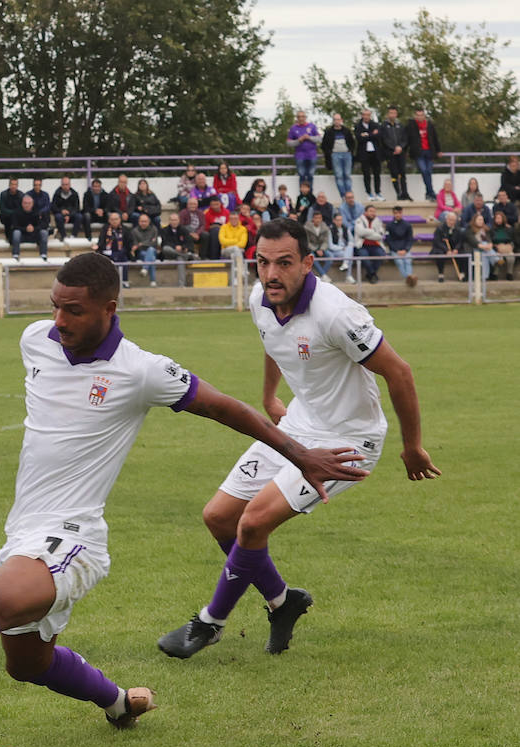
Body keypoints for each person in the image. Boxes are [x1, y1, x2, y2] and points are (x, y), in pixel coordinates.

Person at [0, 252, 367, 747]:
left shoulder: (141, 371)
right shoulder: (35, 339)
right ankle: (121, 703)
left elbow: (226, 408)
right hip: (23, 534)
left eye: (74, 310)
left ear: (109, 309)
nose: (58, 319)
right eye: (55, 305)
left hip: (72, 539)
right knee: (26, 663)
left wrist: (300, 455)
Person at [157, 217, 439, 658]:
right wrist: (271, 397)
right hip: (298, 426)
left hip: (350, 439)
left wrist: (412, 446)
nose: (271, 274)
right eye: (263, 263)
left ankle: (210, 623)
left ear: (307, 263)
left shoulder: (337, 313)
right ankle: (283, 602)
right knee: (218, 517)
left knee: (252, 522)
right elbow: (275, 342)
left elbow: (399, 372)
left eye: (284, 263)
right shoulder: (260, 298)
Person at [407, 108, 440, 201]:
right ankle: (431, 192)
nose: (419, 117)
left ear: (424, 116)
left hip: (429, 151)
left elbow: (435, 137)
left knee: (428, 172)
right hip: (419, 152)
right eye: (417, 115)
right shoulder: (411, 125)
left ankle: (429, 193)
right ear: (415, 116)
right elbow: (408, 138)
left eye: (421, 115)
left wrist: (438, 150)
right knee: (424, 171)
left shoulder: (429, 125)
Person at [320, 113, 356, 199]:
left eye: (338, 119)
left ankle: (349, 195)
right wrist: (330, 152)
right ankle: (343, 196)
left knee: (347, 175)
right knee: (339, 175)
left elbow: (352, 142)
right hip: (335, 155)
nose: (337, 121)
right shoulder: (328, 131)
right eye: (335, 120)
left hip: (347, 154)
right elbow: (324, 145)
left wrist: (350, 151)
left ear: (341, 120)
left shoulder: (346, 131)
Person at [380, 106, 411, 201]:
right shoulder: (384, 126)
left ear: (396, 114)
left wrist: (400, 147)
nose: (392, 115)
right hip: (390, 153)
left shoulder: (400, 125)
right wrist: (393, 148)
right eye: (390, 113)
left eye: (394, 113)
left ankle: (405, 193)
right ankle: (398, 193)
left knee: (402, 173)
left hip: (401, 153)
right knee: (394, 174)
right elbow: (384, 140)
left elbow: (405, 139)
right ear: (388, 114)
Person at [159, 211, 198, 285]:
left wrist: (183, 247)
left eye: (175, 220)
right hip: (169, 253)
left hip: (181, 253)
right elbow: (164, 243)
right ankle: (188, 256)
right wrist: (175, 247)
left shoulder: (184, 230)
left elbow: (189, 242)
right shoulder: (164, 230)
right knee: (165, 249)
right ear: (169, 221)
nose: (174, 222)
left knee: (180, 259)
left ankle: (181, 284)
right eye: (172, 220)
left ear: (179, 220)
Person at [94, 211, 131, 286]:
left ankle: (124, 281)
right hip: (107, 252)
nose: (114, 221)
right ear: (109, 220)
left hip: (120, 252)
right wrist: (97, 246)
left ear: (120, 220)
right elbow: (101, 240)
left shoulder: (125, 229)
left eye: (116, 219)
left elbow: (128, 242)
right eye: (112, 219)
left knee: (124, 259)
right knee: (104, 260)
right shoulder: (105, 229)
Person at [7, 194, 48, 260]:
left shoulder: (37, 212)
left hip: (34, 235)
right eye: (25, 203)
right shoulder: (16, 212)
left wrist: (34, 228)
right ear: (22, 203)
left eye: (29, 203)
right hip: (22, 236)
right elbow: (14, 226)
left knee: (44, 232)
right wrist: (25, 229)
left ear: (32, 204)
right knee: (16, 233)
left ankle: (43, 255)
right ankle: (15, 255)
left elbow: (44, 225)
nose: (27, 205)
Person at [355, 109, 384, 201]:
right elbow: (359, 138)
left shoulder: (375, 125)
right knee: (366, 174)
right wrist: (371, 134)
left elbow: (378, 136)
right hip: (364, 153)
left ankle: (378, 192)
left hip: (375, 153)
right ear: (362, 115)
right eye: (364, 115)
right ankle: (369, 193)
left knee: (377, 173)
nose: (366, 117)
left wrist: (366, 135)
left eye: (368, 115)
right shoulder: (358, 126)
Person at [353, 205, 387, 283]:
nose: (373, 213)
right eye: (371, 211)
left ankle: (370, 274)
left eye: (374, 211)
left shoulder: (378, 221)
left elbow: (380, 236)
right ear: (365, 212)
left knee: (381, 255)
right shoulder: (359, 220)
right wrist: (373, 231)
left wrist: (366, 234)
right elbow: (360, 232)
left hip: (375, 245)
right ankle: (372, 274)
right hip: (362, 245)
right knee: (364, 256)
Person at [287, 110, 321, 189]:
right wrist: (299, 140)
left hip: (312, 155)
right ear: (297, 118)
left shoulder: (312, 126)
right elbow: (289, 143)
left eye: (302, 117)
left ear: (305, 117)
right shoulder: (293, 128)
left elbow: (319, 139)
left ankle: (310, 195)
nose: (301, 118)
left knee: (310, 175)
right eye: (299, 117)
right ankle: (302, 195)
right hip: (300, 156)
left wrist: (309, 138)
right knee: (302, 175)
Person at [384, 205, 416, 286]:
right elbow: (389, 240)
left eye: (399, 213)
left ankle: (408, 278)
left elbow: (410, 239)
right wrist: (396, 250)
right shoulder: (389, 226)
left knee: (408, 260)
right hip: (395, 249)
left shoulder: (407, 225)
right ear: (393, 214)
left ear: (402, 213)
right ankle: (409, 278)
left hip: (405, 249)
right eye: (395, 213)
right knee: (399, 261)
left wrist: (405, 249)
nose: (397, 215)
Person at [430, 211, 465, 282]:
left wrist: (456, 249)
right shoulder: (440, 228)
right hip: (441, 248)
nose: (451, 222)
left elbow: (460, 241)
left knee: (463, 253)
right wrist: (446, 250)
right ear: (446, 219)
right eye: (450, 220)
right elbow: (437, 242)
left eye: (453, 220)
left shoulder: (458, 229)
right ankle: (441, 274)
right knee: (439, 254)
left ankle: (461, 273)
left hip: (453, 248)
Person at [130, 212, 160, 286]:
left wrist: (142, 244)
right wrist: (146, 243)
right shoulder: (134, 231)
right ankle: (153, 281)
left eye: (145, 221)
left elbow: (154, 243)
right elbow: (136, 245)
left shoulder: (154, 229)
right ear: (138, 222)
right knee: (151, 258)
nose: (143, 223)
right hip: (141, 253)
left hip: (153, 250)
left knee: (151, 249)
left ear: (149, 222)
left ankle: (145, 269)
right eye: (142, 221)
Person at [304, 209, 331, 280]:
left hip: (322, 248)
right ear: (313, 218)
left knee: (330, 256)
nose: (318, 220)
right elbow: (307, 242)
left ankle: (322, 275)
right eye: (316, 218)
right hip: (311, 248)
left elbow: (326, 241)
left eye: (319, 218)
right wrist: (316, 250)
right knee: (312, 257)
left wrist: (322, 249)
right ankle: (323, 275)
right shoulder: (307, 227)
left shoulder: (325, 227)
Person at [328, 212, 355, 283]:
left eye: (341, 220)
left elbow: (351, 240)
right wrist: (342, 248)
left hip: (345, 250)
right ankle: (348, 276)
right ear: (334, 220)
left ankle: (345, 264)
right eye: (338, 220)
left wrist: (348, 246)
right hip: (336, 251)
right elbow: (330, 246)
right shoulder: (330, 229)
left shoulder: (345, 228)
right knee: (350, 255)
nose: (339, 222)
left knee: (350, 247)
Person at [490, 209, 515, 280]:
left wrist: (510, 246)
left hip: (507, 248)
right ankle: (495, 274)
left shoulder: (509, 228)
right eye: (496, 218)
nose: (498, 220)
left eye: (499, 218)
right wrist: (496, 247)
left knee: (511, 257)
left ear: (503, 218)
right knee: (499, 259)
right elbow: (491, 241)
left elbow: (512, 240)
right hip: (497, 249)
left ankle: (509, 273)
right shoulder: (492, 230)